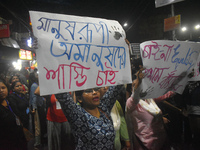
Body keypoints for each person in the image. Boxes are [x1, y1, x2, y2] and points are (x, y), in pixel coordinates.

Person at [55, 85, 123, 150]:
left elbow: (117, 86)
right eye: (88, 91)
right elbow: (63, 96)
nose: (94, 92)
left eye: (96, 89)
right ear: (80, 99)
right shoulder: (78, 115)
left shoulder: (103, 107)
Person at [126, 68, 175, 150]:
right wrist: (139, 80)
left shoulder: (149, 99)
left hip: (161, 142)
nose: (141, 87)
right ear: (132, 89)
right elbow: (136, 95)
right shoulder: (131, 103)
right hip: (145, 144)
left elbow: (169, 93)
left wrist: (184, 78)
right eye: (135, 85)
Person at [0, 78, 27, 150]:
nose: (1, 91)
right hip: (7, 142)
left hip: (18, 138)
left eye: (3, 88)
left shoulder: (9, 101)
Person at [29, 71, 47, 148]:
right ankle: (37, 143)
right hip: (37, 108)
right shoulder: (34, 86)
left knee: (41, 124)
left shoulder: (38, 85)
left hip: (40, 106)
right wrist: (34, 108)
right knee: (38, 125)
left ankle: (42, 140)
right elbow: (34, 97)